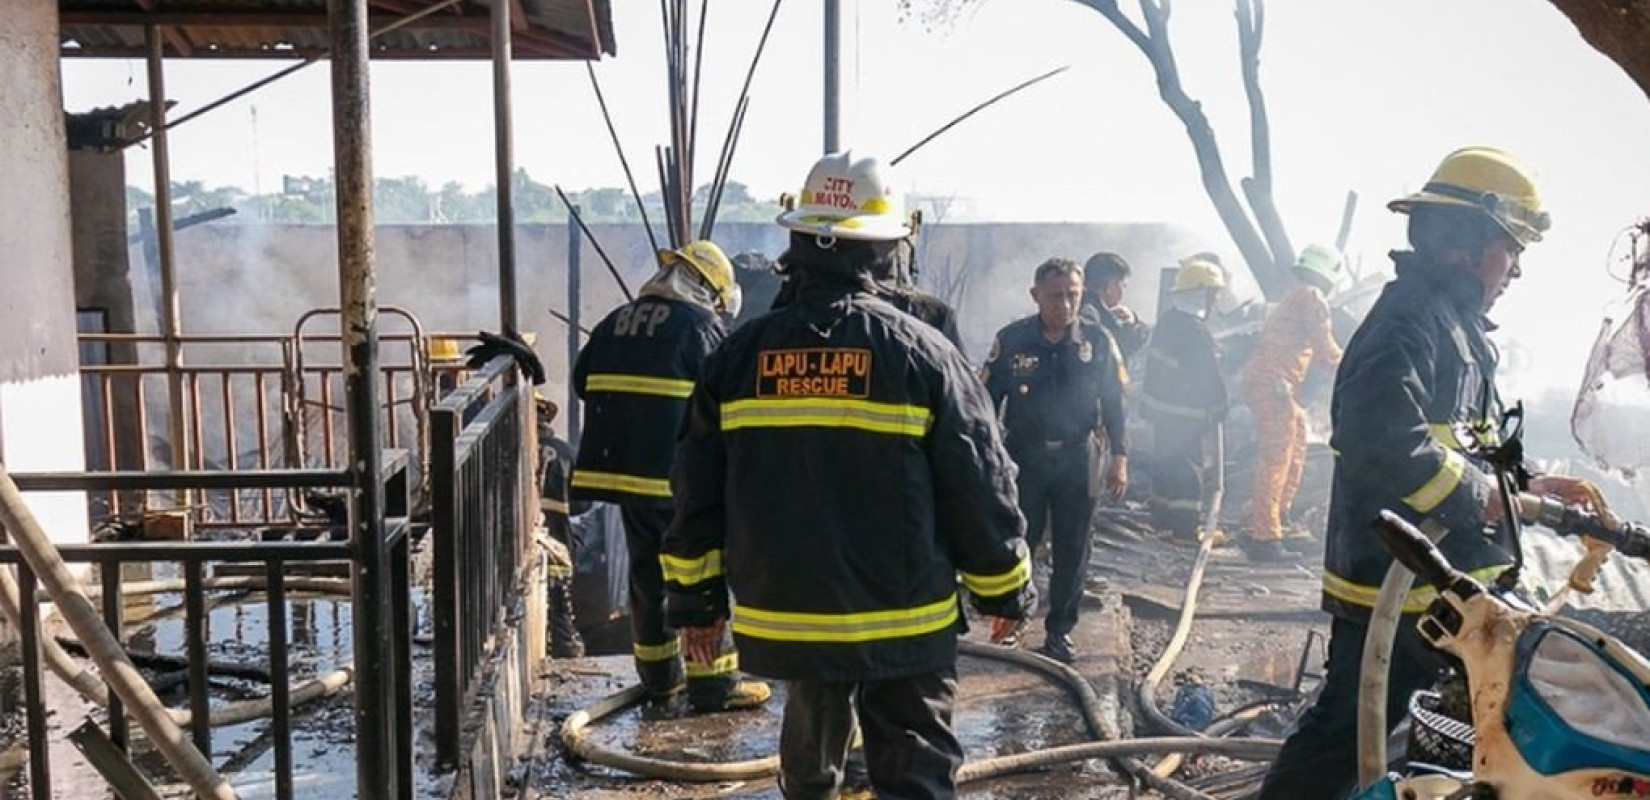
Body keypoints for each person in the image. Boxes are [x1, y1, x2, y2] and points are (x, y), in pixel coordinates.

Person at [662, 151, 1034, 800]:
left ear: (797, 243)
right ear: (887, 249)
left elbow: (694, 490)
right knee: (915, 774)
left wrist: (696, 606)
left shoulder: (739, 356)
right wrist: (1004, 589)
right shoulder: (925, 354)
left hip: (789, 615)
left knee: (810, 767)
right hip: (906, 619)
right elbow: (979, 475)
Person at [1256, 146, 1609, 800]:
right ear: (1467, 244)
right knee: (1344, 736)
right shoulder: (1408, 320)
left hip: (1441, 591)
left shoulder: (1454, 325)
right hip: (1398, 592)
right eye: (1511, 247)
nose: (1518, 269)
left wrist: (1524, 487)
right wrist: (1483, 499)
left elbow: (1463, 445)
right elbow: (1379, 436)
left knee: (1422, 741)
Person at [570, 239, 771, 714]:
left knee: (646, 574)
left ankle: (660, 679)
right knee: (700, 571)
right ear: (704, 288)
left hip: (621, 476)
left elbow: (582, 382)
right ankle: (714, 687)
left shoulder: (615, 320)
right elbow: (728, 398)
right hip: (679, 478)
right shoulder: (701, 327)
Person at [982, 257, 1128, 664]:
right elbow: (983, 404)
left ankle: (1060, 632)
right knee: (1019, 545)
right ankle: (1011, 622)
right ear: (1036, 296)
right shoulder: (1012, 341)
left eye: (1073, 295)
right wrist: (989, 459)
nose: (1065, 304)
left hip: (1079, 458)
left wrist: (1121, 456)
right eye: (1055, 295)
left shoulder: (1098, 341)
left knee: (1073, 548)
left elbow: (1115, 405)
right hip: (1023, 459)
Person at [1238, 244, 1345, 561]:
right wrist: (1357, 364)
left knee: (1295, 447)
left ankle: (1277, 521)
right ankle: (1264, 538)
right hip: (1274, 385)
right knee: (1276, 458)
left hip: (1280, 386)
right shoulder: (1312, 297)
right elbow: (1325, 348)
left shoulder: (1297, 294)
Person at [1141, 254, 1229, 543]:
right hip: (1186, 414)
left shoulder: (1169, 322)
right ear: (1201, 294)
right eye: (1213, 294)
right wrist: (1219, 407)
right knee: (1188, 468)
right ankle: (1185, 526)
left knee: (1166, 461)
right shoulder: (1196, 332)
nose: (1215, 301)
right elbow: (1209, 376)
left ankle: (1162, 515)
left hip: (1161, 411)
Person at [535, 393, 586, 658]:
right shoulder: (565, 451)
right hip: (560, 538)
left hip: (524, 537)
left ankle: (556, 645)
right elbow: (582, 505)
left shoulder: (509, 448)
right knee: (560, 596)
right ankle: (565, 646)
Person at [1081, 251, 1151, 361]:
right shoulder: (1097, 316)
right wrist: (1132, 323)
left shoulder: (1073, 307)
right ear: (1110, 286)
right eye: (1123, 285)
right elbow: (1126, 345)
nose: (1124, 292)